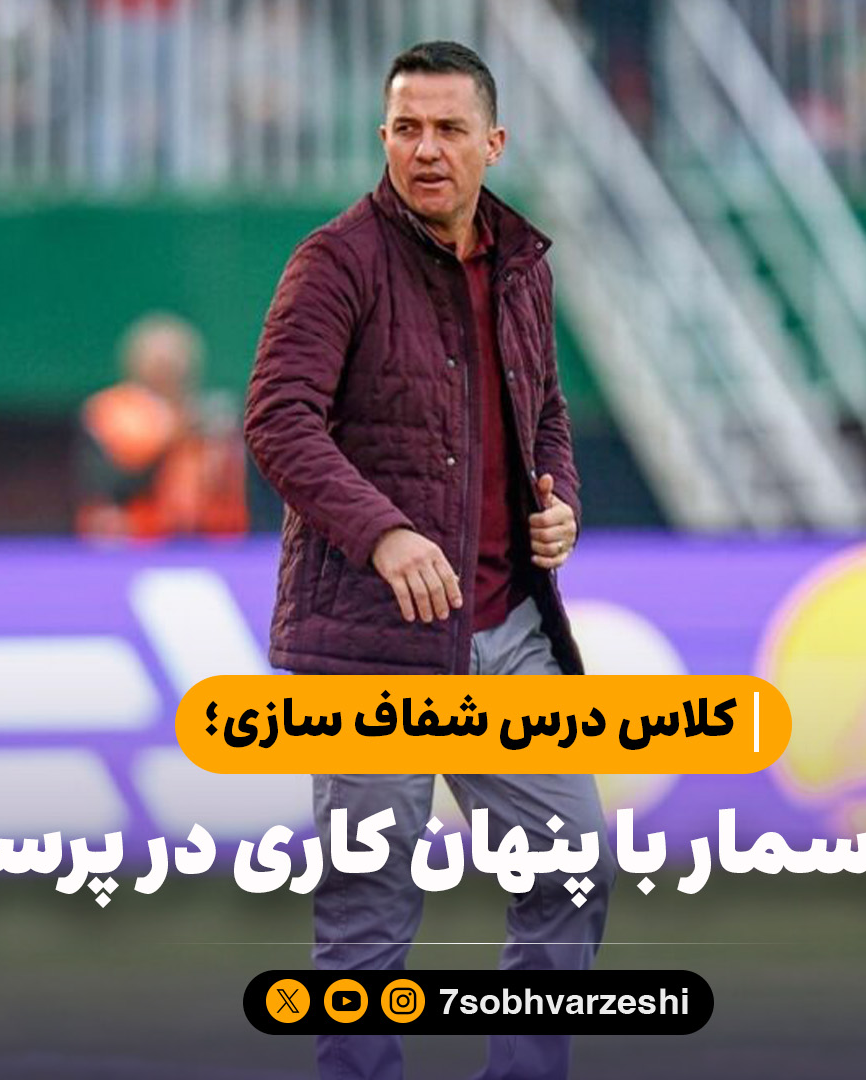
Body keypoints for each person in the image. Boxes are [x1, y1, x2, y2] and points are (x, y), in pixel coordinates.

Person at [243, 40, 610, 1080]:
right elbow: (277, 420)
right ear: (383, 137)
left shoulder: (523, 265)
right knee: (369, 911)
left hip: (506, 630)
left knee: (572, 869)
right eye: (407, 128)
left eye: (450, 128)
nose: (427, 148)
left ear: (494, 143)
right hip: (373, 649)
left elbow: (545, 412)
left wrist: (559, 502)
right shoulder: (336, 260)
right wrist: (384, 531)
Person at [77, 313, 249, 540]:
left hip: (203, 540)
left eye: (176, 362)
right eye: (159, 363)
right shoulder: (111, 412)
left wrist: (219, 449)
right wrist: (176, 431)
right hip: (132, 537)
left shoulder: (210, 418)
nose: (169, 371)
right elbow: (116, 483)